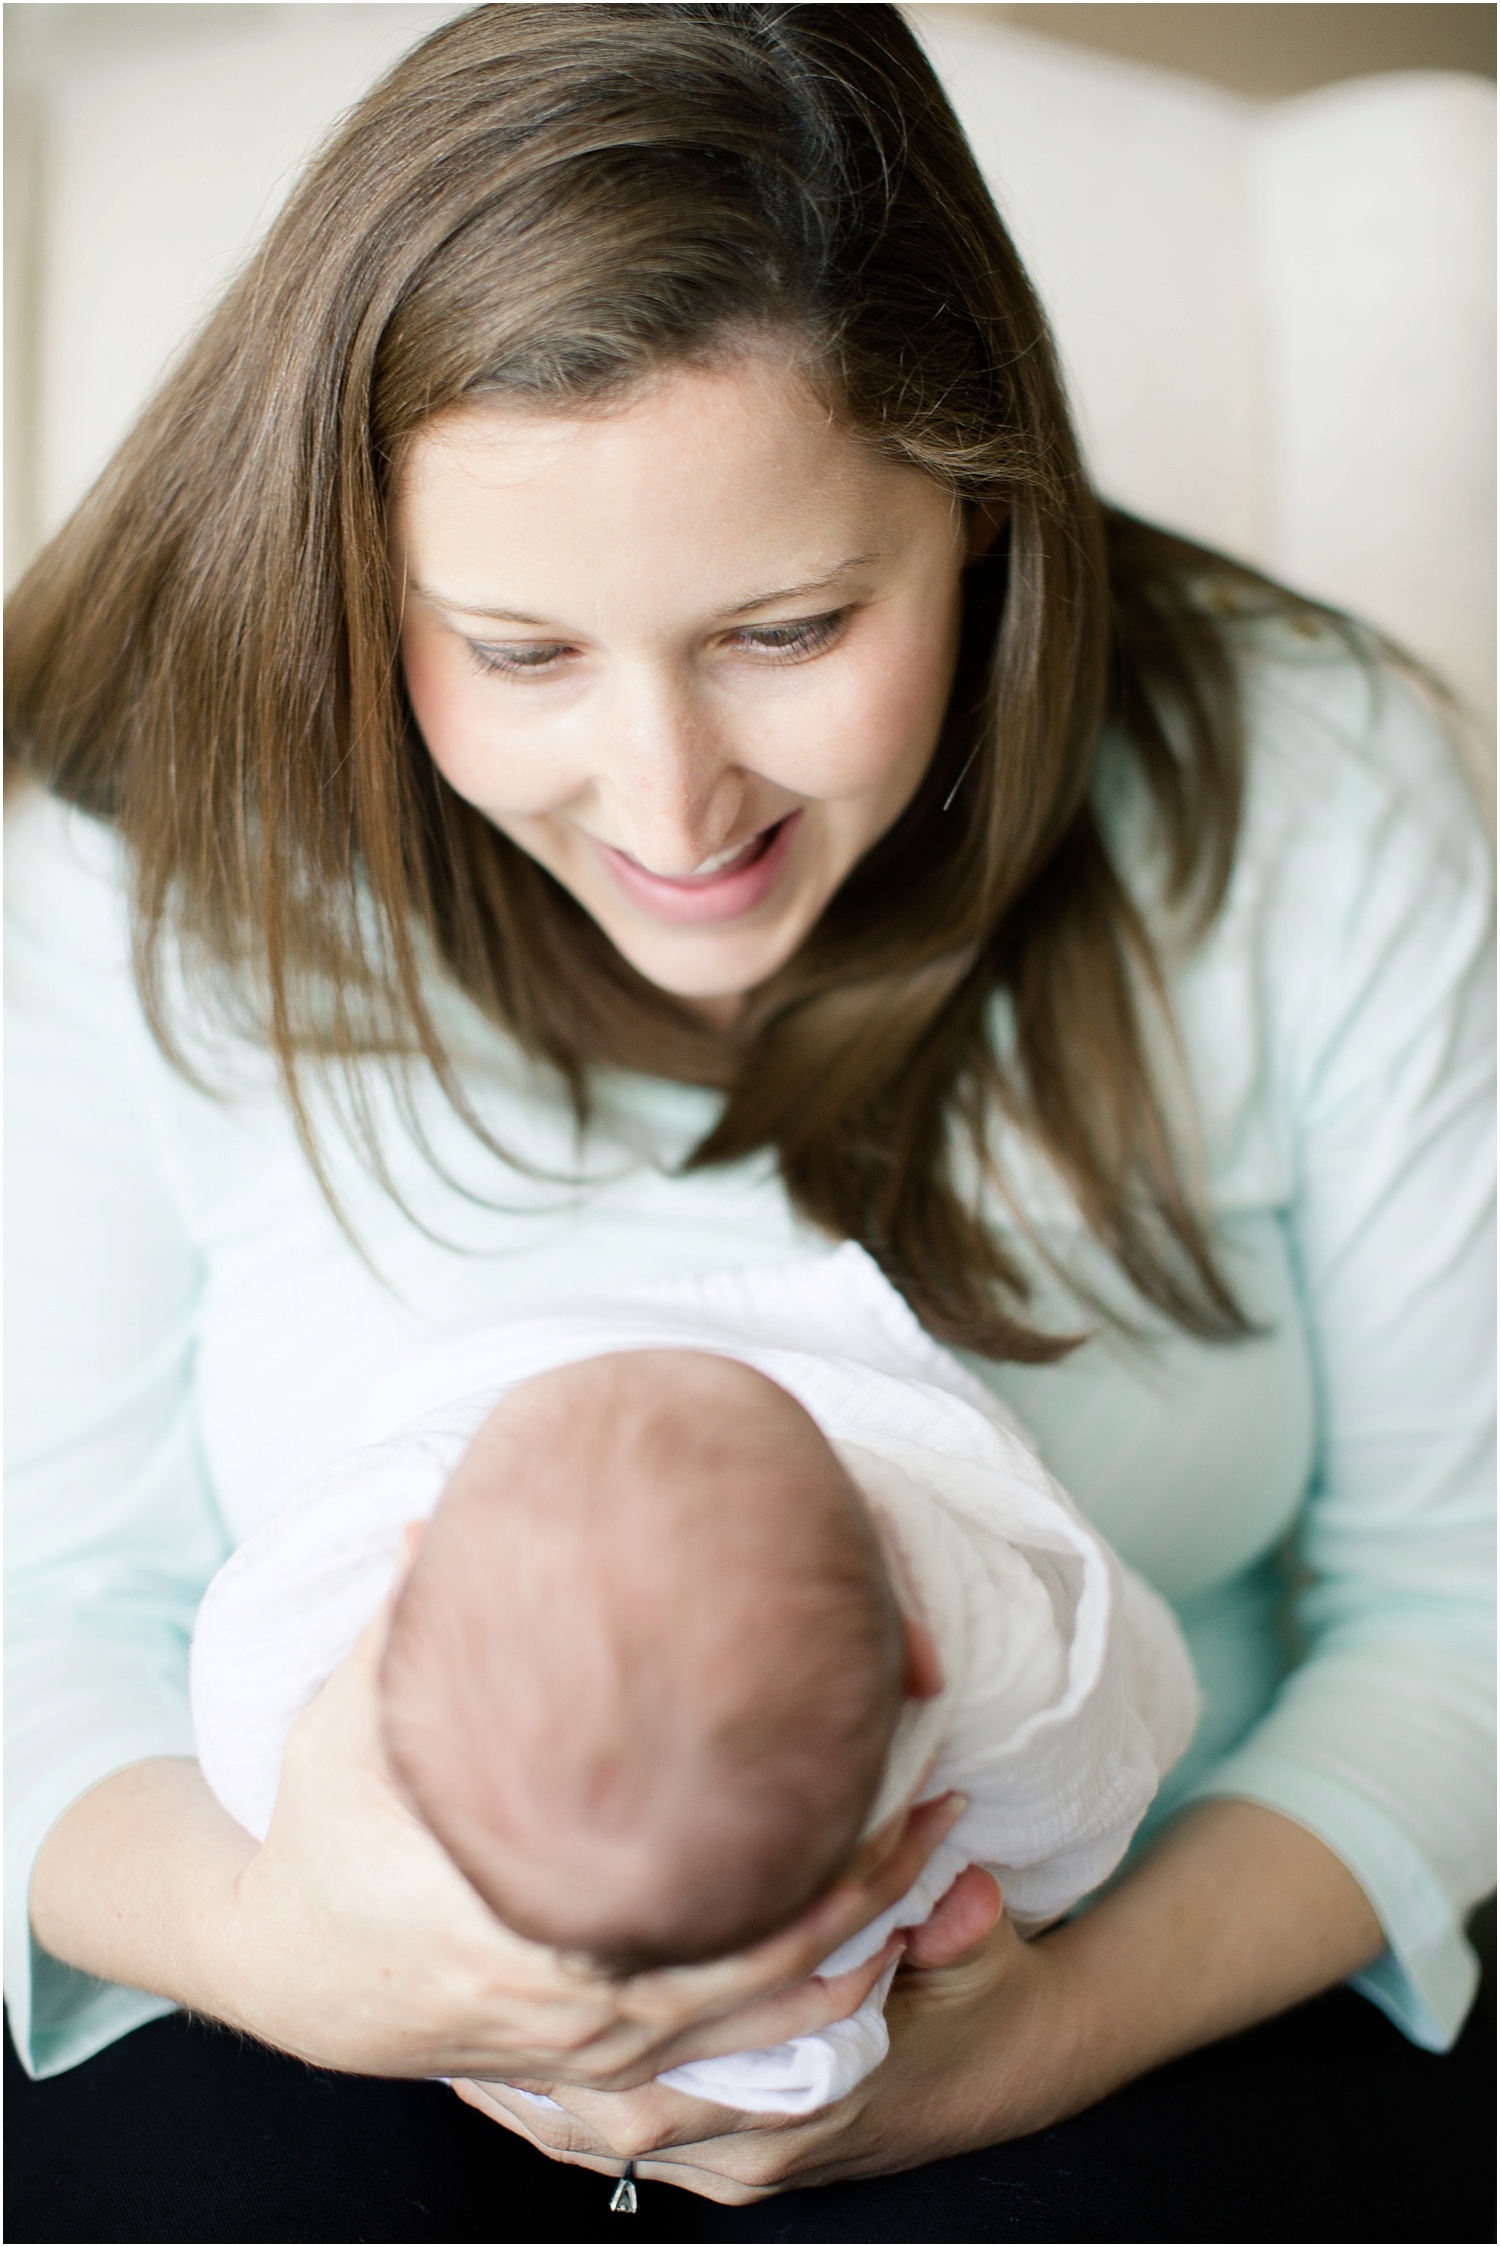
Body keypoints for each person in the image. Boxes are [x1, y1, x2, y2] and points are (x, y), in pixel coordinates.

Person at [3, 2, 1491, 2235]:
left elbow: (1463, 1605)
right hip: (309, 1995)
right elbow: (48, 1611)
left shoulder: (1300, 781)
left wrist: (1037, 2042)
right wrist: (294, 1956)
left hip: (1136, 1978)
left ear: (984, 512)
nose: (672, 801)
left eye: (789, 626)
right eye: (517, 652)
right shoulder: (137, 851)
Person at [186, 1248, 1198, 2116]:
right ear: (925, 1667)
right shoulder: (975, 1651)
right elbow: (1082, 1779)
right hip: (925, 2005)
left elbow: (252, 1701)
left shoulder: (389, 1658)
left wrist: (270, 1911)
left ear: (410, 1567)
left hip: (406, 2041)